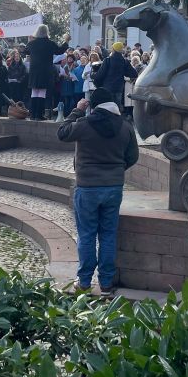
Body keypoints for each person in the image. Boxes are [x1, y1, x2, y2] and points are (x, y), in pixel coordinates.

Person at [57, 87, 139, 295]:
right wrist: (117, 170)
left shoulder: (84, 124)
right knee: (108, 235)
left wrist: (76, 110)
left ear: (92, 105)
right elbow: (133, 157)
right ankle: (106, 283)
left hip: (87, 187)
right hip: (113, 188)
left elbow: (62, 132)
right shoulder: (125, 126)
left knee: (86, 235)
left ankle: (84, 282)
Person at [26, 24, 69, 120]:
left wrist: (29, 42)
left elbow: (25, 51)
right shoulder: (50, 43)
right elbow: (60, 51)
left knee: (34, 92)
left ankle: (32, 114)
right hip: (45, 71)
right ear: (47, 32)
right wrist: (66, 41)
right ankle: (39, 115)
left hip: (34, 71)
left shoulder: (32, 44)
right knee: (41, 92)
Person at [91, 42, 138, 110]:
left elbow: (100, 75)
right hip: (119, 88)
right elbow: (134, 74)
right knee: (116, 108)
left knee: (107, 108)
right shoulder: (124, 61)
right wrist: (125, 74)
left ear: (113, 49)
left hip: (107, 88)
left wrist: (94, 78)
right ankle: (116, 120)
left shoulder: (108, 60)